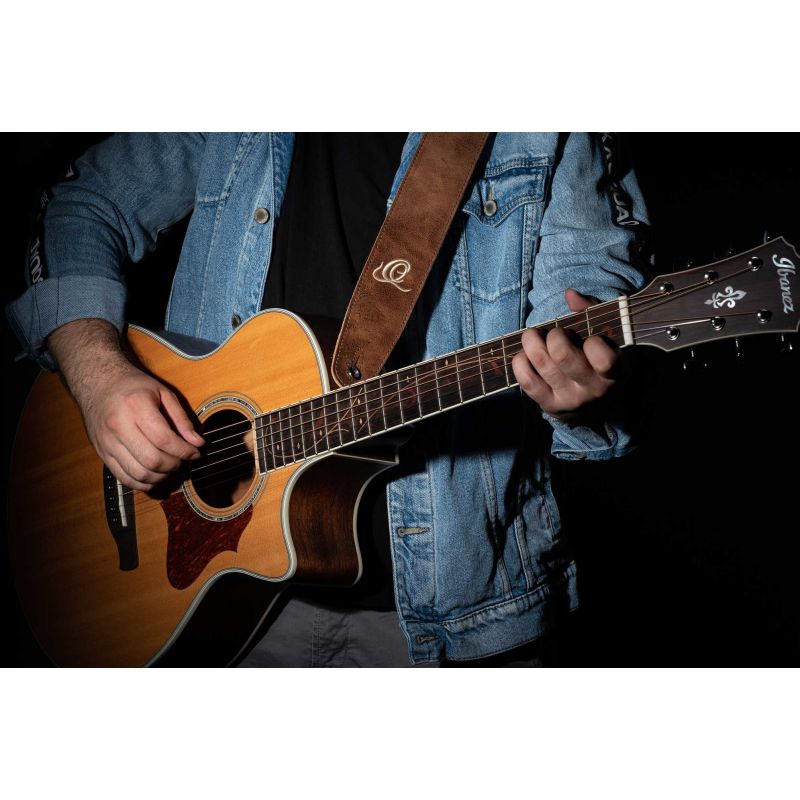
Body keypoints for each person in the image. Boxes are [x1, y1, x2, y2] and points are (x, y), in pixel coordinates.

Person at [7, 133, 649, 667]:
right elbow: (84, 203)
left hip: (456, 621)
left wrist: (575, 394)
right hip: (225, 617)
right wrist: (99, 377)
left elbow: (585, 296)